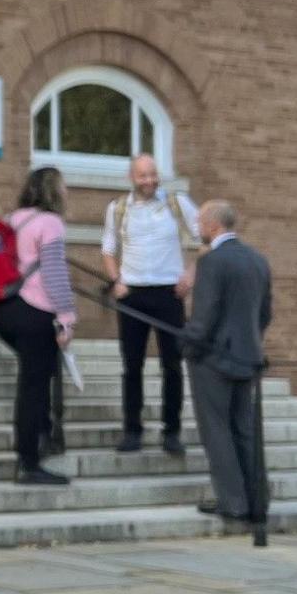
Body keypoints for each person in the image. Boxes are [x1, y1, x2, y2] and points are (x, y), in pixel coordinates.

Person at [181, 198, 275, 522]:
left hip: (213, 359)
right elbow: (265, 314)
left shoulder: (212, 262)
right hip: (248, 356)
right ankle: (256, 499)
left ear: (212, 225)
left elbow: (204, 318)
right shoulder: (258, 260)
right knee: (245, 430)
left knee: (217, 430)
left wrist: (188, 347)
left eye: (199, 222)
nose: (197, 228)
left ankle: (233, 502)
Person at [101, 154, 200, 455]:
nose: (149, 180)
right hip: (132, 293)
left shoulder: (177, 203)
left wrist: (191, 274)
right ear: (132, 177)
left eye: (153, 174)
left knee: (172, 365)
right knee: (132, 365)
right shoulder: (118, 209)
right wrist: (116, 280)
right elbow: (107, 249)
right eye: (143, 175)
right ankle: (132, 430)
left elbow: (203, 238)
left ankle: (172, 432)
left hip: (169, 293)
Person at [0, 167, 78, 486]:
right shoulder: (50, 223)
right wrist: (67, 319)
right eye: (64, 186)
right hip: (34, 310)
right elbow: (54, 272)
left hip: (3, 310)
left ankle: (41, 438)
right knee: (33, 386)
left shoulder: (15, 218)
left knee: (36, 377)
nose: (67, 192)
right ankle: (29, 461)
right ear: (54, 190)